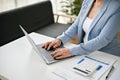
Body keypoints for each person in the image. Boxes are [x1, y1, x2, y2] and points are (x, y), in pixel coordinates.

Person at [42, 0, 120, 59]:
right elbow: (76, 25)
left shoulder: (116, 8)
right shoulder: (88, 1)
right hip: (84, 51)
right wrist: (60, 39)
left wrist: (71, 51)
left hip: (105, 55)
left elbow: (102, 39)